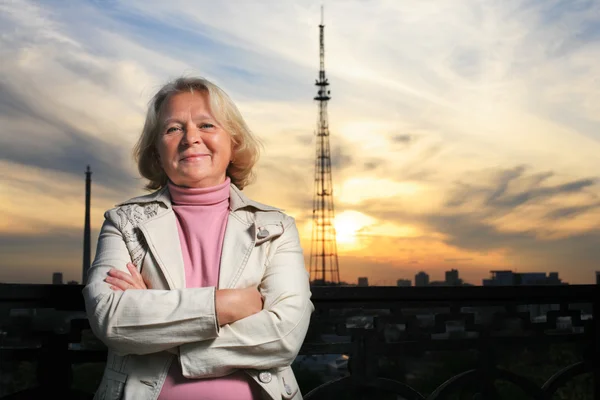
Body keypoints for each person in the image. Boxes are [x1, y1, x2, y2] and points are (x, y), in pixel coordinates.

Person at [83, 76, 314, 400]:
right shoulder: (123, 222)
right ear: (156, 150)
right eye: (173, 128)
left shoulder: (276, 227)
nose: (191, 138)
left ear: (234, 142)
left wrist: (157, 328)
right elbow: (112, 319)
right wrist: (230, 305)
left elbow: (284, 337)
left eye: (206, 125)